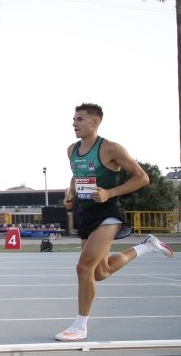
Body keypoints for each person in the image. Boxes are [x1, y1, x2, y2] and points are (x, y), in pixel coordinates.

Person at [55, 103, 174, 342]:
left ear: (94, 122)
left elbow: (142, 178)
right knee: (100, 272)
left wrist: (110, 193)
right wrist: (70, 195)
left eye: (79, 119)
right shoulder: (72, 150)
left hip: (108, 213)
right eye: (73, 119)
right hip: (85, 214)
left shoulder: (110, 148)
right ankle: (146, 246)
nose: (74, 123)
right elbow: (76, 176)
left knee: (83, 268)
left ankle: (80, 326)